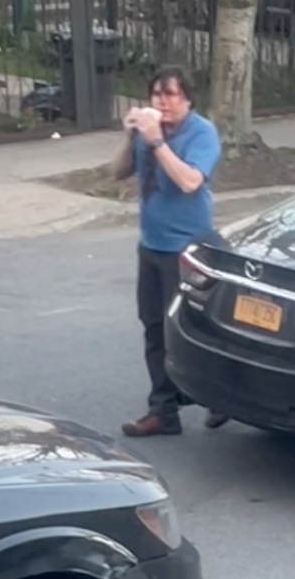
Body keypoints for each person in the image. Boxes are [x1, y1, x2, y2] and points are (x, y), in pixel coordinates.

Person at [113, 67, 230, 437]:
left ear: (188, 100)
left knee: (196, 328)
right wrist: (130, 134)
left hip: (187, 249)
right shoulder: (147, 130)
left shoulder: (201, 133)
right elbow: (118, 172)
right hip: (151, 245)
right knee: (154, 327)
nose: (163, 103)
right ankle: (163, 409)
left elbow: (189, 181)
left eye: (171, 95)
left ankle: (222, 398)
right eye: (157, 95)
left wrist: (157, 143)